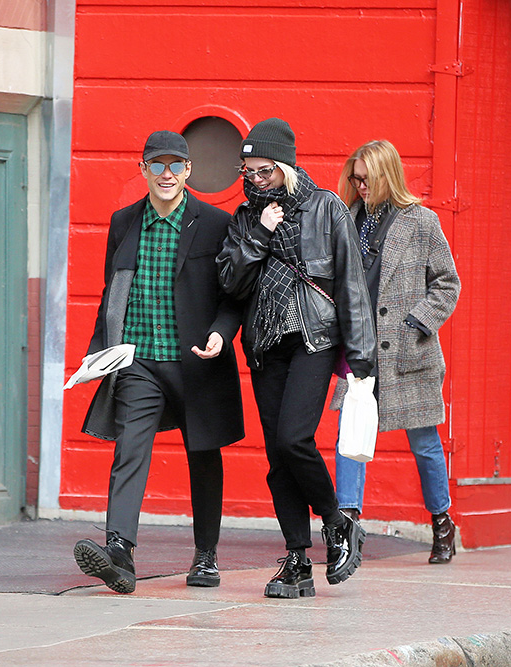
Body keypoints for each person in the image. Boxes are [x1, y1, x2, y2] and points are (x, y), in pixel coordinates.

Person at [73, 130, 244, 593]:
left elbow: (234, 298)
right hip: (138, 362)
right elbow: (113, 294)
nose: (166, 175)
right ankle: (118, 552)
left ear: (188, 171)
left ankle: (205, 556)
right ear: (143, 169)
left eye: (175, 166)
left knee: (203, 455)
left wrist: (220, 335)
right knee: (129, 449)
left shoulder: (214, 222)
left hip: (195, 362)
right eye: (157, 165)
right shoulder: (123, 222)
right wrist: (97, 353)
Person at [216, 118, 377, 599]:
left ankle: (336, 521)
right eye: (247, 172)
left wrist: (362, 360)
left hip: (314, 339)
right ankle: (297, 560)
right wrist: (257, 236)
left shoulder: (326, 207)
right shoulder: (246, 217)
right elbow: (229, 283)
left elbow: (351, 285)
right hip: (265, 345)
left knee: (293, 439)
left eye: (263, 171)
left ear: (285, 166)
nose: (254, 180)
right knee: (276, 458)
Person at [332, 139, 461, 564]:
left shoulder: (421, 222)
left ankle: (442, 522)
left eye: (367, 178)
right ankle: (347, 526)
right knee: (351, 437)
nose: (360, 186)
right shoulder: (345, 220)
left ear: (388, 175)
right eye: (356, 178)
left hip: (409, 350)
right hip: (360, 347)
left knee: (425, 442)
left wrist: (418, 322)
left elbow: (447, 282)